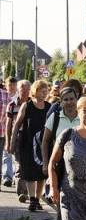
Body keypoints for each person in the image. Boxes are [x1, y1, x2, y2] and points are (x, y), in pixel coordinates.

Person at [8, 79, 51, 211]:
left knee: (42, 173)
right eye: (42, 91)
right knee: (29, 172)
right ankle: (32, 199)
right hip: (27, 144)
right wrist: (12, 142)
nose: (44, 93)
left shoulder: (49, 107)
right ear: (35, 91)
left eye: (46, 91)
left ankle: (37, 199)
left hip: (43, 145)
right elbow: (17, 125)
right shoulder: (27, 106)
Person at [40, 87, 81, 177]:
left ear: (76, 99)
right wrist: (45, 163)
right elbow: (45, 141)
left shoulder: (83, 117)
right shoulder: (55, 117)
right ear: (61, 102)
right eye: (66, 100)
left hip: (80, 164)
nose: (69, 102)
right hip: (58, 165)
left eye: (72, 99)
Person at [0, 78, 16, 186]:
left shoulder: (17, 97)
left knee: (8, 154)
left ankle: (8, 177)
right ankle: (7, 176)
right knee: (6, 154)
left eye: (13, 85)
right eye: (10, 85)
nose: (12, 87)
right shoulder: (4, 95)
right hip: (3, 129)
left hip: (10, 130)